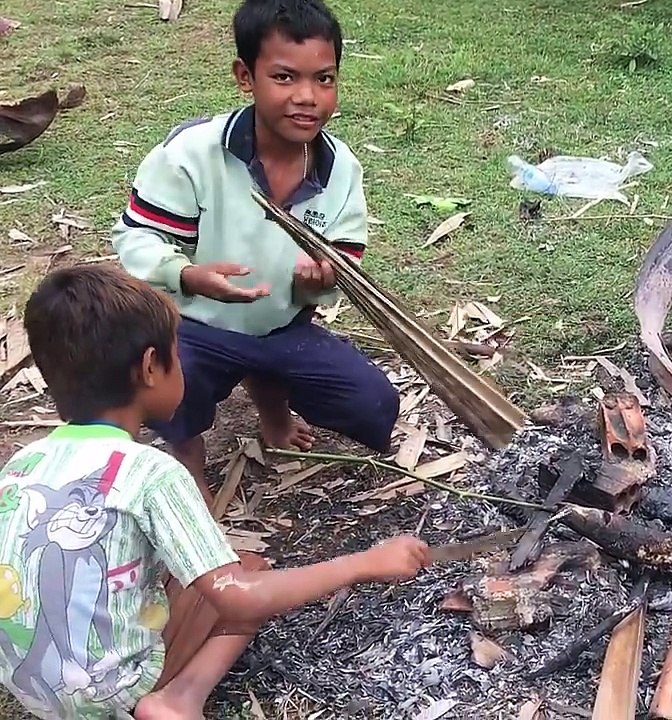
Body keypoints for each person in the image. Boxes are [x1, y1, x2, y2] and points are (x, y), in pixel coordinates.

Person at [0, 265, 432, 720]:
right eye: (177, 353)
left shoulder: (23, 464)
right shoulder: (150, 473)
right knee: (251, 574)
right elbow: (238, 595)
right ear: (151, 367)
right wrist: (365, 563)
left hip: (30, 686)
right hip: (108, 693)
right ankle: (178, 699)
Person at [111, 0, 397, 506]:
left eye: (324, 79)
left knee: (373, 404)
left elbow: (345, 257)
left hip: (282, 325)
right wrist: (187, 275)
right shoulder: (193, 153)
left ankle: (271, 406)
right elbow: (138, 238)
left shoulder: (339, 168)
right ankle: (188, 459)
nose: (307, 97)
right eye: (284, 77)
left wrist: (318, 283)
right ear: (245, 76)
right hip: (194, 325)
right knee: (169, 388)